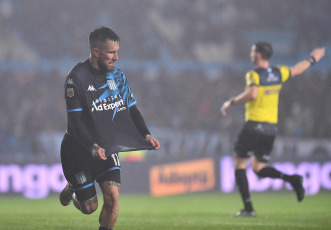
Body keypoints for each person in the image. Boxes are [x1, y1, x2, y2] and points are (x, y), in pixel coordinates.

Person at [59, 26, 160, 230]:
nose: (116, 57)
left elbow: (132, 110)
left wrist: (146, 134)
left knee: (113, 199)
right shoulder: (76, 77)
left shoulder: (119, 76)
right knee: (90, 208)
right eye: (111, 53)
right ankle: (75, 189)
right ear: (95, 52)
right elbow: (75, 122)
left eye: (117, 52)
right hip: (79, 149)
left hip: (108, 147)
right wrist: (92, 147)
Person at [220, 41, 325, 217]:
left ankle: (248, 209)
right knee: (259, 167)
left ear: (259, 55)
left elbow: (253, 94)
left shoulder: (254, 74)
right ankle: (293, 179)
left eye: (253, 51)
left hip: (254, 125)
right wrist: (313, 58)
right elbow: (297, 69)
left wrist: (231, 102)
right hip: (270, 128)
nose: (251, 54)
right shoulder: (279, 72)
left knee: (239, 164)